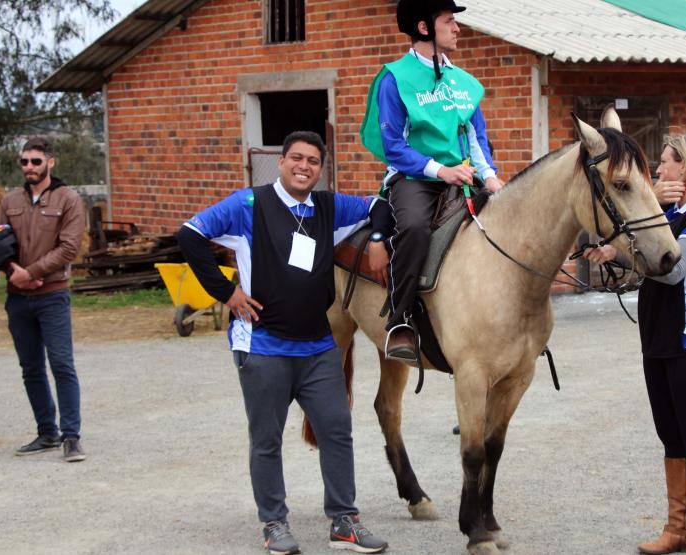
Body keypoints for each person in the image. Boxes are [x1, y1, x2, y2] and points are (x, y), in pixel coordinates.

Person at [178, 131, 391, 555]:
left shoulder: (328, 207)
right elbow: (190, 235)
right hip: (263, 347)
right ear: (281, 161)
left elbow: (380, 205)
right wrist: (226, 293)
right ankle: (274, 523)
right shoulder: (248, 205)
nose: (304, 166)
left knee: (336, 430)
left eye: (313, 161)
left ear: (320, 168)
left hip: (317, 348)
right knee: (266, 440)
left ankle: (344, 523)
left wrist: (380, 240)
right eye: (297, 158)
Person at [584, 132, 686, 555]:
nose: (660, 170)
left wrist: (622, 254)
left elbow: (671, 269)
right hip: (658, 342)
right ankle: (679, 528)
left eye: (666, 162)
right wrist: (612, 251)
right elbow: (646, 242)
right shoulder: (668, 213)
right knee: (671, 437)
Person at [359, 0, 503, 361]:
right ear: (424, 28)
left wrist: (491, 178)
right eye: (450, 21)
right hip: (414, 178)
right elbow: (394, 146)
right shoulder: (394, 78)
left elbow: (475, 137)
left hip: (465, 175)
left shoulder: (464, 84)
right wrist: (440, 170)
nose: (457, 28)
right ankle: (400, 318)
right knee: (415, 228)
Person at [0, 137, 87, 463]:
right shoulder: (10, 200)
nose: (29, 167)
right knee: (31, 367)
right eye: (24, 162)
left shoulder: (69, 199)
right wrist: (12, 270)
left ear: (51, 162)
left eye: (36, 161)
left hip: (52, 295)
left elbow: (69, 248)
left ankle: (71, 436)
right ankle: (46, 431)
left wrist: (31, 271)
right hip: (18, 299)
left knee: (62, 365)